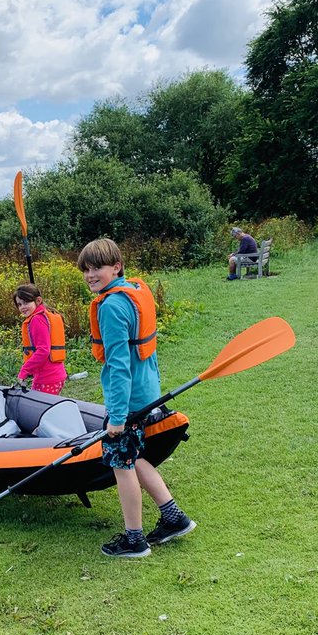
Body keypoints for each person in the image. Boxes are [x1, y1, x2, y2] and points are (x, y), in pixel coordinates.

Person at [77, 238, 196, 559]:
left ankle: (134, 540)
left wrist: (116, 417)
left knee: (122, 464)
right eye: (86, 270)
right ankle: (174, 518)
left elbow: (119, 366)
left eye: (97, 268)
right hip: (146, 396)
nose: (90, 275)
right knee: (135, 457)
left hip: (128, 404)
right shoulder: (133, 292)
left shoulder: (112, 306)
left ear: (116, 266)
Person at [13, 283, 68, 395]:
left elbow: (43, 350)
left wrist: (24, 371)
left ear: (38, 301)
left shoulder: (37, 320)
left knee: (40, 410)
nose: (22, 307)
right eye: (19, 304)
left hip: (47, 378)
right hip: (55, 375)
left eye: (26, 302)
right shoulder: (45, 315)